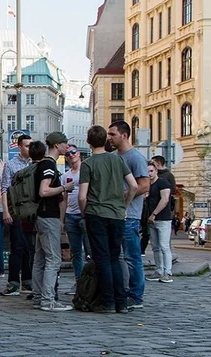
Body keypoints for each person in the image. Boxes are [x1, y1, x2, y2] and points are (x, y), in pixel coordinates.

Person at [78, 125, 138, 314]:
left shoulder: (88, 164)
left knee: (102, 259)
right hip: (117, 215)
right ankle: (121, 301)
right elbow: (134, 186)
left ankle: (107, 302)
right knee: (114, 257)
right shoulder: (118, 160)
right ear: (105, 140)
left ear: (88, 141)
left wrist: (84, 213)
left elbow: (82, 196)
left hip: (97, 213)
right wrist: (124, 205)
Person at [30, 134, 75, 312]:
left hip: (40, 216)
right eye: (65, 144)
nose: (67, 147)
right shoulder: (49, 164)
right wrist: (65, 188)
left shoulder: (41, 163)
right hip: (48, 216)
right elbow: (44, 190)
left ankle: (37, 296)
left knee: (40, 259)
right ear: (57, 145)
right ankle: (48, 300)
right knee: (53, 260)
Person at [108, 121, 149, 310]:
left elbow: (144, 185)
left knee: (132, 257)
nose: (109, 137)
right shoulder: (114, 156)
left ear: (124, 135)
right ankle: (123, 291)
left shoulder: (135, 158)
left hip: (130, 214)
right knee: (119, 256)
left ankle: (136, 295)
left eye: (112, 134)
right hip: (116, 213)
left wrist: (124, 196)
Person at [0, 134, 34, 296]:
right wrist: (6, 211)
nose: (30, 148)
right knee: (17, 246)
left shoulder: (35, 163)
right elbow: (4, 188)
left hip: (32, 212)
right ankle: (13, 281)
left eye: (31, 145)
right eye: (27, 146)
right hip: (17, 211)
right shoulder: (11, 165)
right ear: (19, 147)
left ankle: (27, 280)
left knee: (30, 247)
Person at [61, 144, 91, 295]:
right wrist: (62, 218)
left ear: (78, 153)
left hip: (85, 214)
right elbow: (64, 198)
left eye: (73, 152)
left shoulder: (86, 170)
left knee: (90, 251)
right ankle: (79, 282)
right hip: (71, 215)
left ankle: (91, 283)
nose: (71, 155)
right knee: (75, 252)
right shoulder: (65, 175)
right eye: (67, 154)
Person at [145, 161, 174, 283]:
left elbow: (165, 200)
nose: (149, 174)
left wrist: (154, 214)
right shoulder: (148, 184)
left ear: (156, 171)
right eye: (147, 171)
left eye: (151, 171)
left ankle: (167, 272)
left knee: (164, 246)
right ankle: (159, 270)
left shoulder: (162, 182)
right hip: (151, 220)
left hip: (163, 219)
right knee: (155, 247)